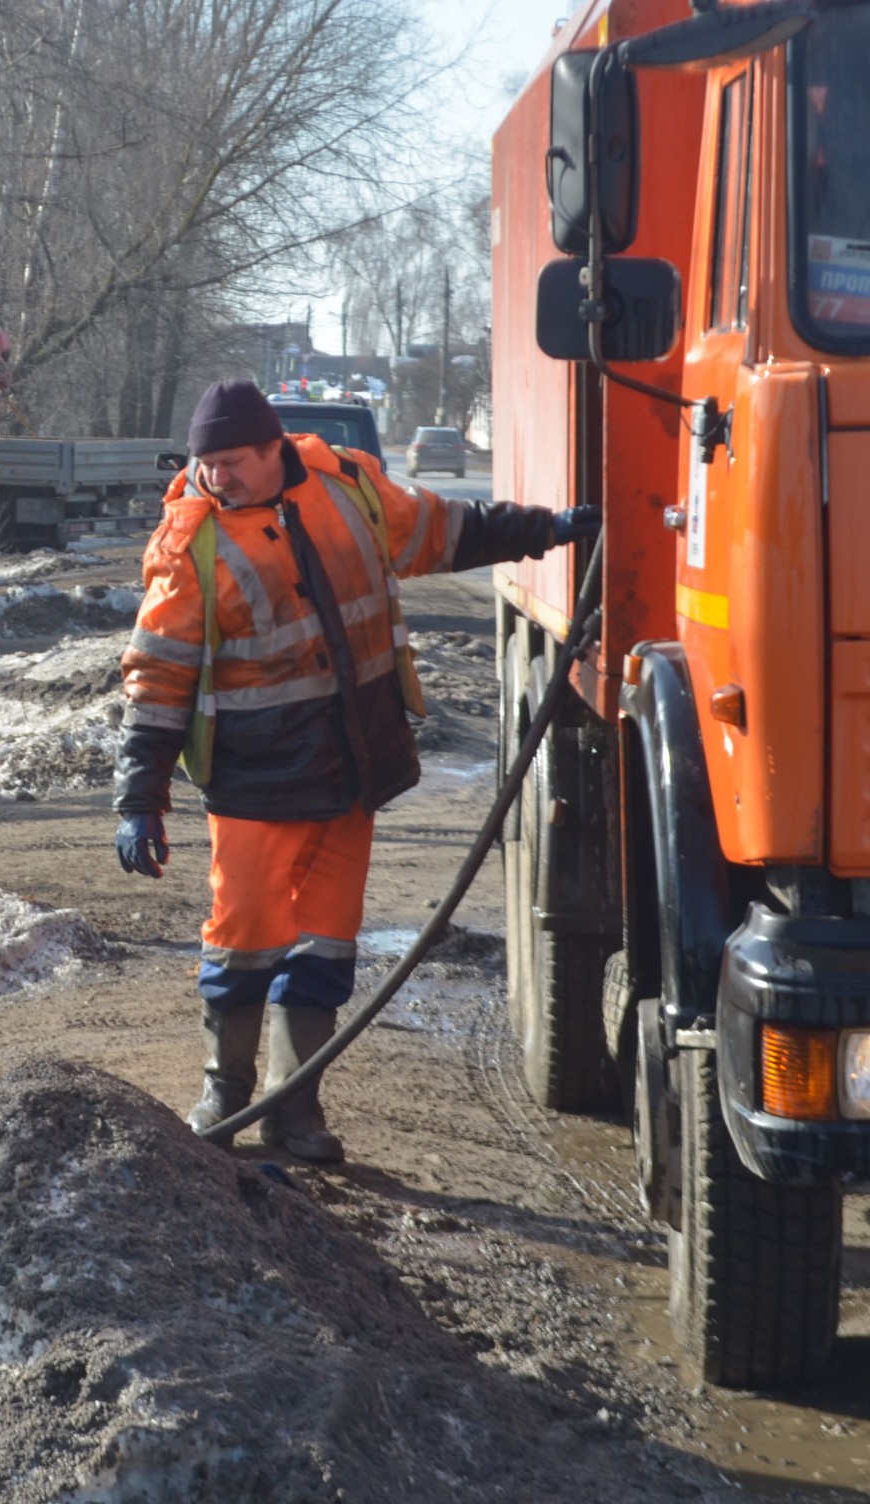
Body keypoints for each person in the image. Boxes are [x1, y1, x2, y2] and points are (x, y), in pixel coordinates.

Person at [112, 381, 599, 1162]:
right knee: (242, 942)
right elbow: (158, 674)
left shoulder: (348, 490)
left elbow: (443, 531)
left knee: (326, 943)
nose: (218, 477)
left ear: (274, 448)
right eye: (208, 463)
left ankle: (295, 1108)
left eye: (232, 461)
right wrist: (140, 797)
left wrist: (547, 530)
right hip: (258, 781)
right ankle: (226, 1094)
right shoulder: (190, 542)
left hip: (352, 768)